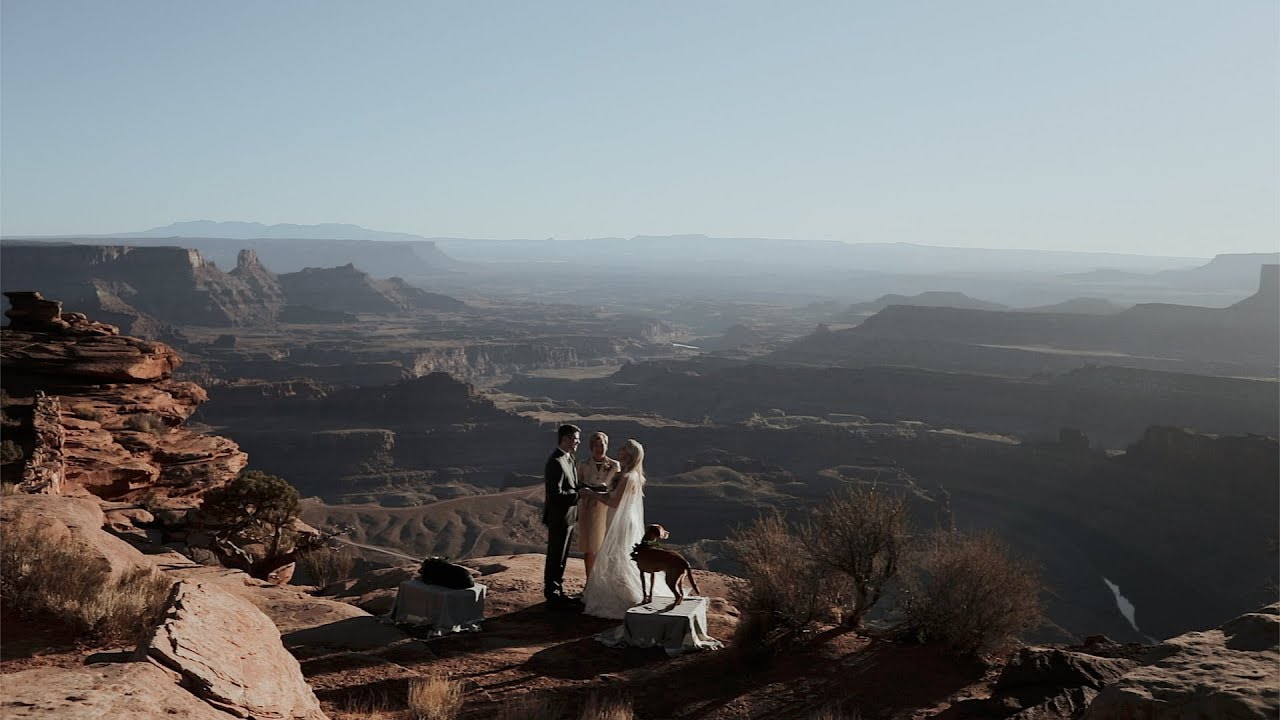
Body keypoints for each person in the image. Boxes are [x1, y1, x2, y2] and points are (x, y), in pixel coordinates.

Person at [582, 438, 670, 619]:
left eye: (623, 449)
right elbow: (612, 495)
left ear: (629, 455)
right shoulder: (629, 474)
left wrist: (591, 494)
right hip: (619, 519)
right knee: (619, 555)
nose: (619, 450)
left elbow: (614, 502)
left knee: (619, 555)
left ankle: (626, 594)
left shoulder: (629, 477)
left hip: (622, 522)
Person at [543, 423, 583, 609]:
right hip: (559, 517)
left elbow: (573, 485)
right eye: (575, 439)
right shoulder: (556, 461)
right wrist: (580, 495)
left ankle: (558, 591)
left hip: (568, 517)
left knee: (562, 556)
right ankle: (552, 594)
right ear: (565, 439)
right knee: (555, 556)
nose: (578, 442)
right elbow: (555, 494)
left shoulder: (569, 458)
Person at [576, 431, 620, 581]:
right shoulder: (583, 465)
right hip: (588, 510)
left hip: (606, 508)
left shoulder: (614, 465)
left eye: (602, 445)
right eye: (596, 445)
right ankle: (590, 581)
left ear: (607, 446)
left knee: (606, 546)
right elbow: (578, 484)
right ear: (591, 447)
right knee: (589, 548)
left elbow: (617, 487)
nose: (599, 448)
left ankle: (605, 581)